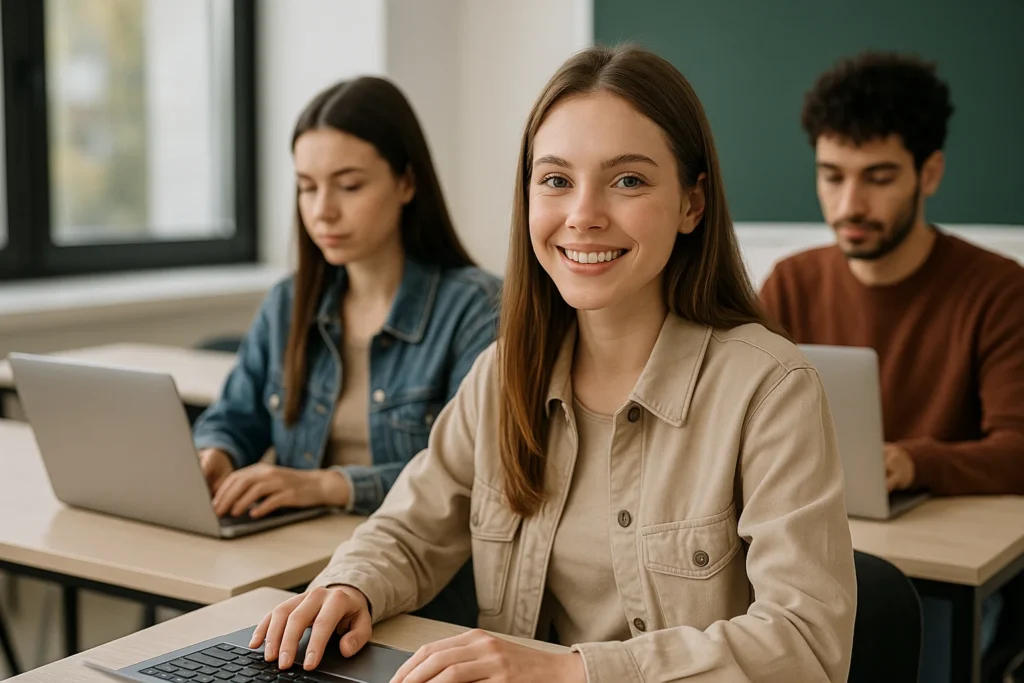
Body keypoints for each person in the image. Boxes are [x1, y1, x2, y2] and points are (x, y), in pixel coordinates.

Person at [251, 45, 857, 682]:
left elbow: (806, 642)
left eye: (628, 180)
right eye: (557, 180)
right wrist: (349, 586)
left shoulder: (769, 387)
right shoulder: (503, 374)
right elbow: (410, 528)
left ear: (692, 204)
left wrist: (573, 673)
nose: (583, 216)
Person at [191, 76, 501, 626]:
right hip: (296, 573)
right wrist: (217, 453)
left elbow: (469, 478)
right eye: (307, 187)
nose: (323, 211)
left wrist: (325, 486)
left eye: (349, 186)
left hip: (420, 592)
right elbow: (235, 416)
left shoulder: (477, 309)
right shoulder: (290, 303)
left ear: (407, 182)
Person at [760, 52, 1024, 681]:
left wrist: (913, 461)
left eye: (878, 178)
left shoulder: (998, 291)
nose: (849, 203)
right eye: (831, 176)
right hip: (813, 553)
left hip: (942, 575)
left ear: (929, 173)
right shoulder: (790, 284)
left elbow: (1019, 448)